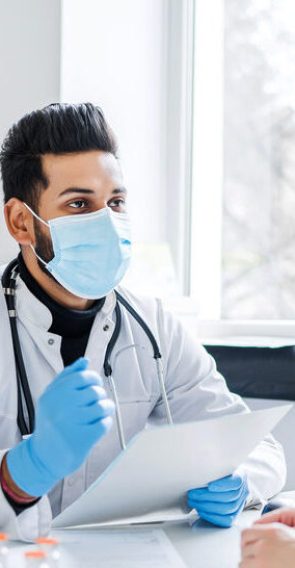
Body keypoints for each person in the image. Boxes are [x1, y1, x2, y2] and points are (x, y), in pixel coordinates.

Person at [0, 103, 286, 541]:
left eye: (115, 202)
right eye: (79, 204)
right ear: (21, 222)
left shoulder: (153, 328)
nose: (107, 223)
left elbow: (259, 447)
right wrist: (25, 470)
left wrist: (242, 480)